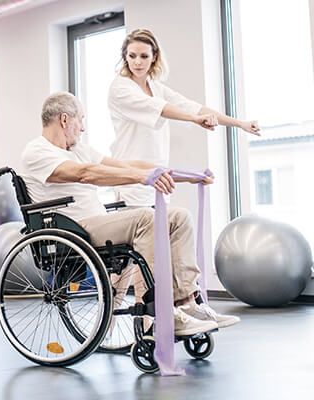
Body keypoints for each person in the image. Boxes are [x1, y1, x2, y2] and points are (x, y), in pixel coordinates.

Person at [21, 92, 240, 336]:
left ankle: (187, 303)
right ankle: (159, 309)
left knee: (178, 217)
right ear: (64, 120)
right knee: (145, 217)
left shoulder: (78, 149)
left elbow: (126, 165)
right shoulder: (36, 152)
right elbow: (86, 173)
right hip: (73, 229)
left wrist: (185, 175)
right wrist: (142, 179)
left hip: (95, 224)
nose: (83, 128)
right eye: (81, 120)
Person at [108, 28, 260, 207]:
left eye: (144, 56)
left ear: (154, 57)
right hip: (132, 182)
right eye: (132, 56)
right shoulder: (121, 88)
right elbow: (160, 108)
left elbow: (192, 107)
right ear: (125, 56)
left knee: (168, 231)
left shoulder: (156, 87)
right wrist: (194, 119)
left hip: (159, 179)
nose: (137, 62)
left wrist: (240, 123)